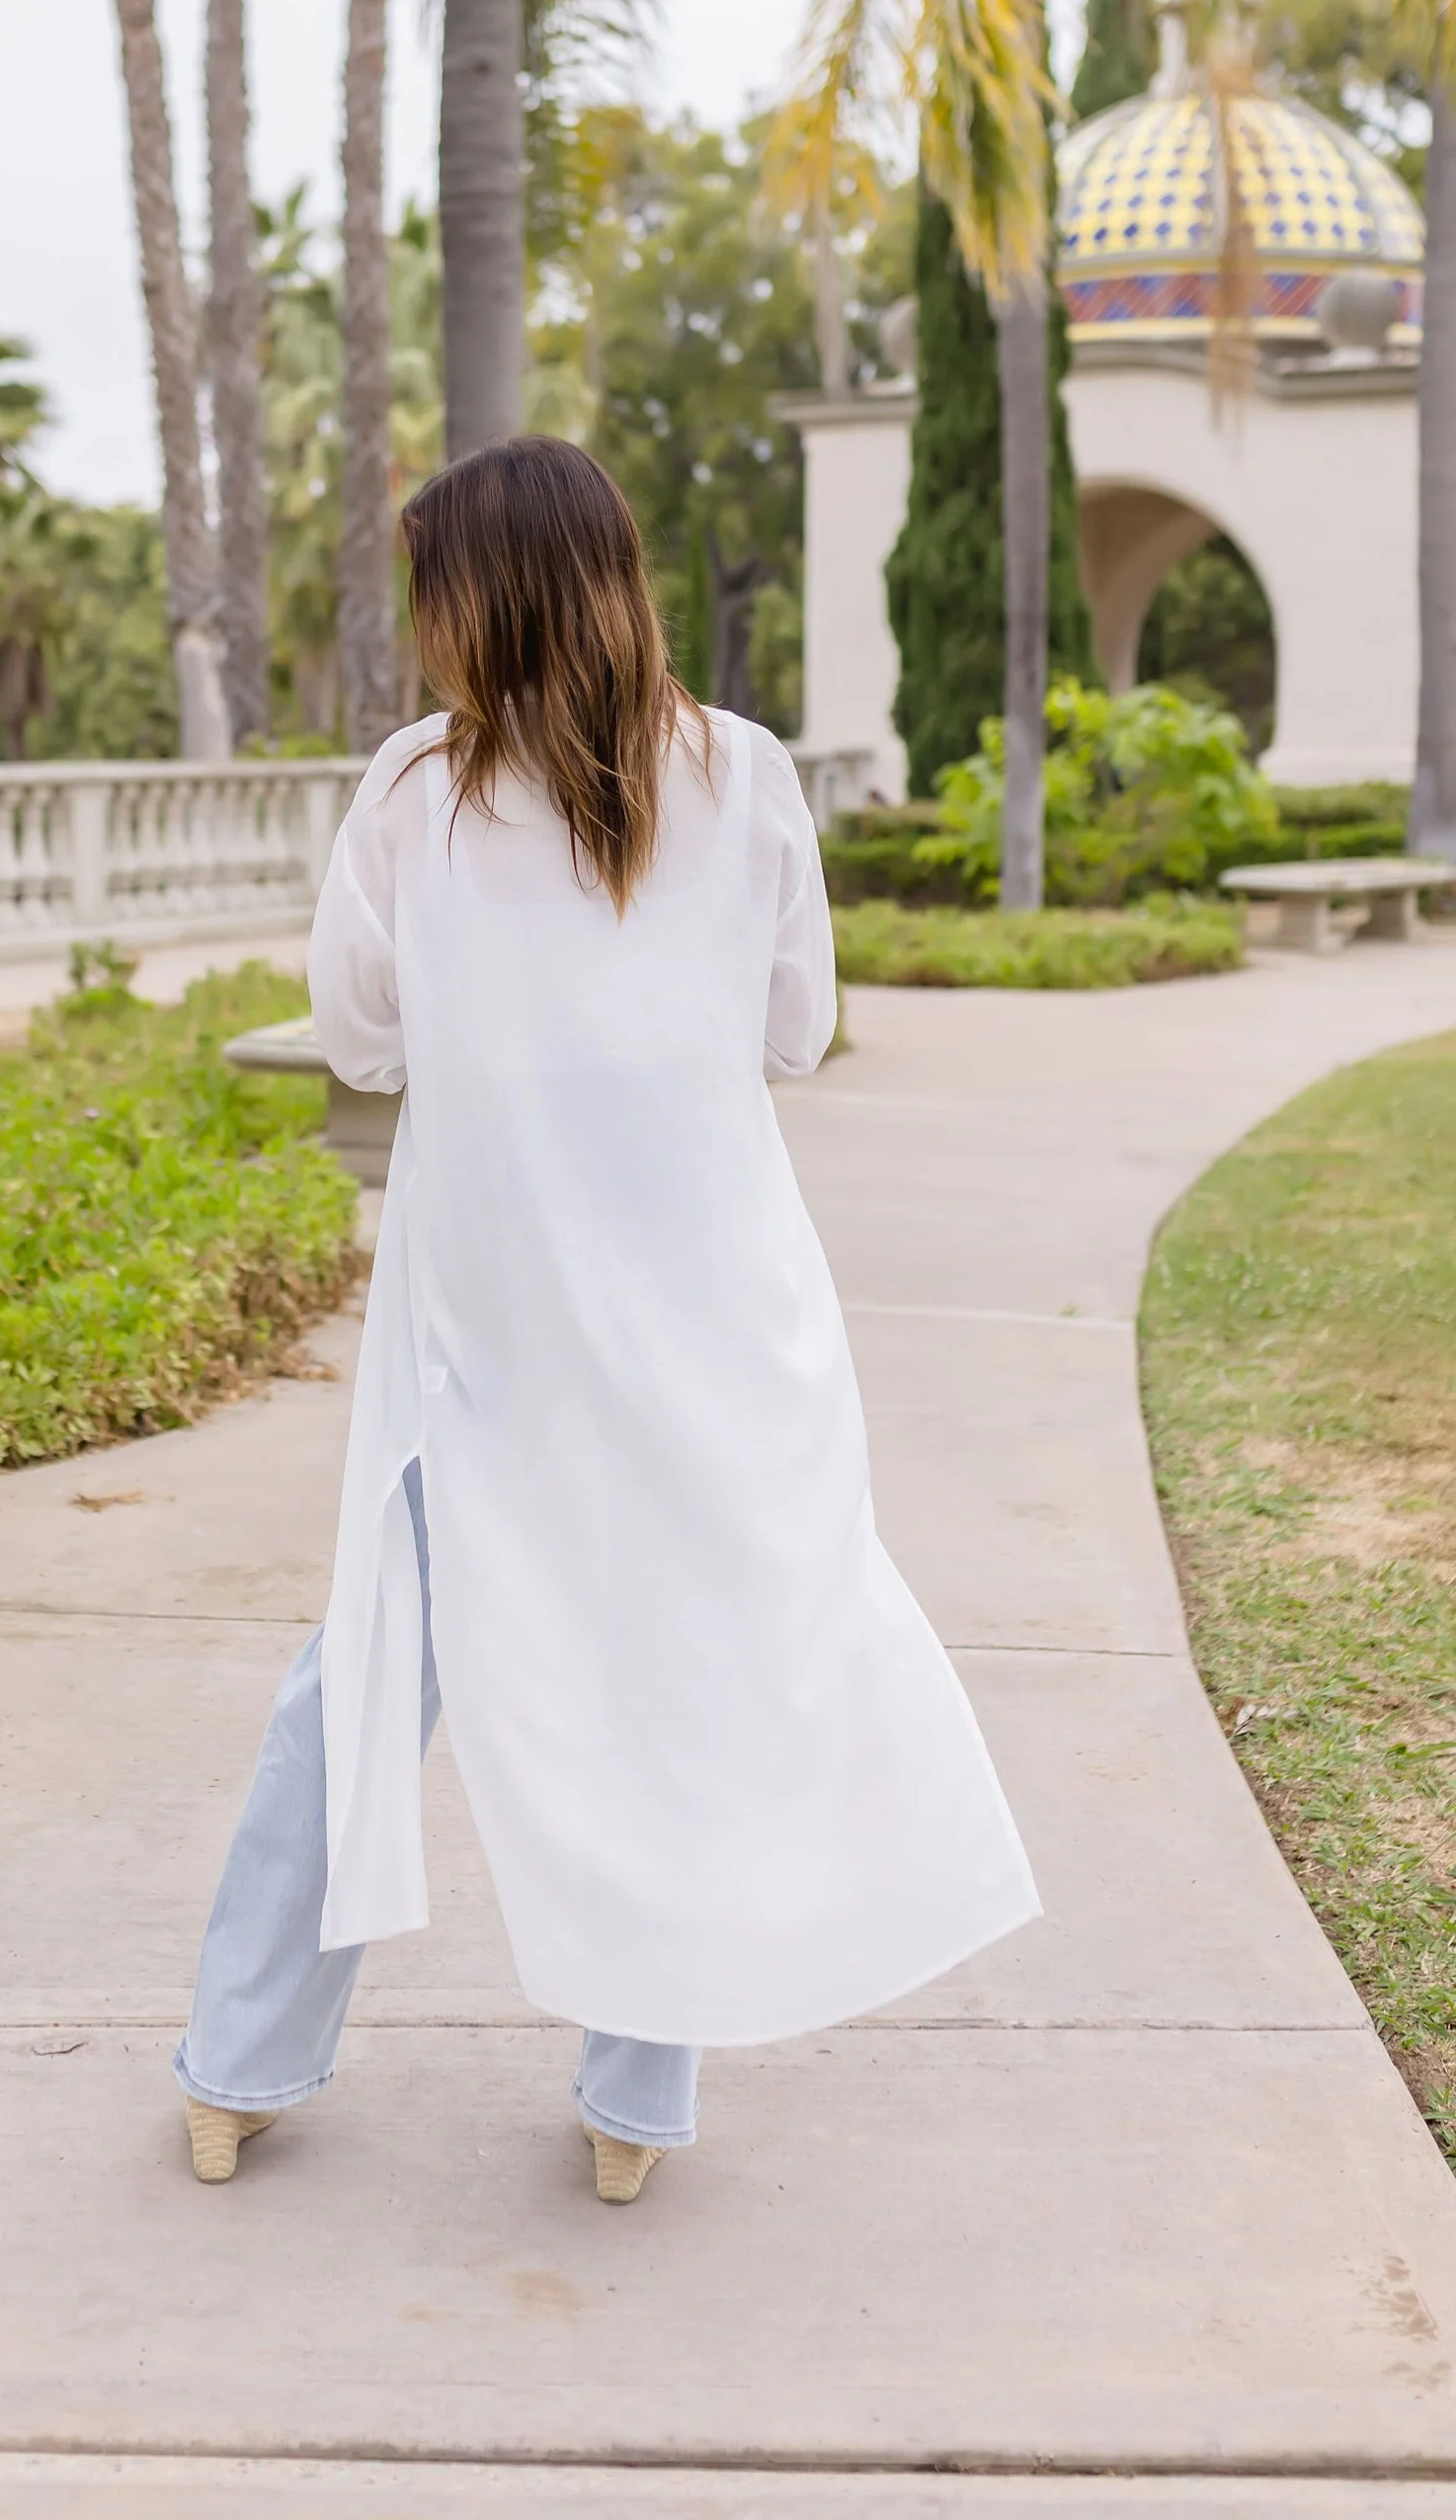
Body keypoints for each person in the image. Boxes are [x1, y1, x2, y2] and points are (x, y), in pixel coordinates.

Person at [175, 437, 1039, 2205]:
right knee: (688, 1681)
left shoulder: (417, 795)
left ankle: (237, 2064)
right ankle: (636, 2109)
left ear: (482, 599)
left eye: (435, 594)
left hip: (486, 1327)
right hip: (714, 1318)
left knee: (358, 1677)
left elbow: (356, 1035)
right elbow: (796, 1034)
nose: (424, 634)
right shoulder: (750, 777)